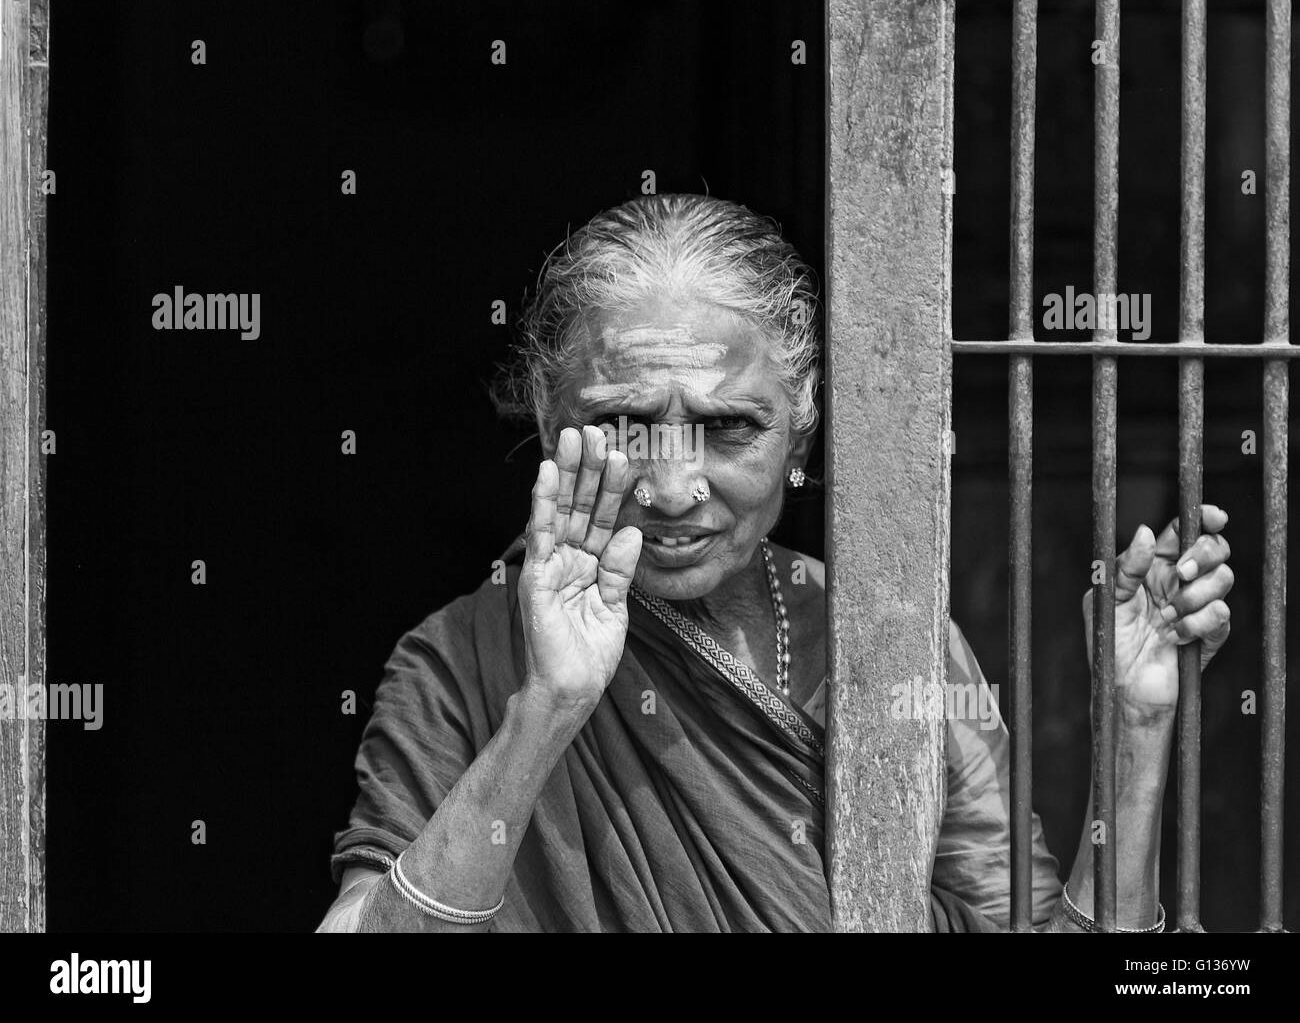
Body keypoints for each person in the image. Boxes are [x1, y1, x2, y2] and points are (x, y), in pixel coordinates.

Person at [318, 194, 1233, 932]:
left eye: (729, 428)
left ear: (802, 428)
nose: (674, 487)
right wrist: (546, 710)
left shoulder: (888, 642)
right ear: (551, 427)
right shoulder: (459, 664)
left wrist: (1135, 730)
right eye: (623, 426)